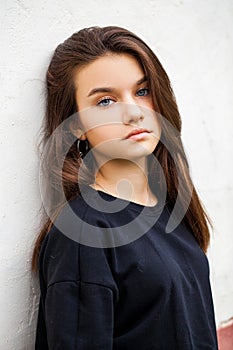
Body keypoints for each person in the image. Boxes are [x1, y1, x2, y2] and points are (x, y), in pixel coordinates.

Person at [32, 26, 218, 349]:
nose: (133, 112)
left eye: (142, 91)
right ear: (77, 125)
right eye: (105, 101)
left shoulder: (170, 208)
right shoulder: (83, 235)